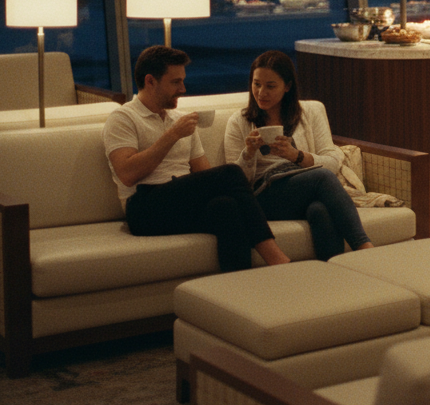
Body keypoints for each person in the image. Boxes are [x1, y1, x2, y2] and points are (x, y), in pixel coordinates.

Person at [103, 45, 291, 272]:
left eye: (182, 81)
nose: (183, 88)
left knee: (227, 206)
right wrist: (172, 135)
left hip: (180, 203)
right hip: (144, 207)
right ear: (150, 81)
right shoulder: (123, 118)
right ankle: (277, 258)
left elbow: (204, 174)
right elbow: (127, 174)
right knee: (231, 172)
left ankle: (239, 287)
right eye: (175, 82)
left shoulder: (180, 119)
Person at [225, 50, 374, 261]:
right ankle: (365, 248)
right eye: (256, 84)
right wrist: (248, 154)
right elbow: (234, 182)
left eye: (270, 86)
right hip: (264, 195)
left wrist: (296, 156)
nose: (261, 92)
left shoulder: (311, 112)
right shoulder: (238, 121)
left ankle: (334, 273)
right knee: (323, 178)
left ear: (287, 86)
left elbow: (333, 161)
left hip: (302, 186)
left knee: (319, 210)